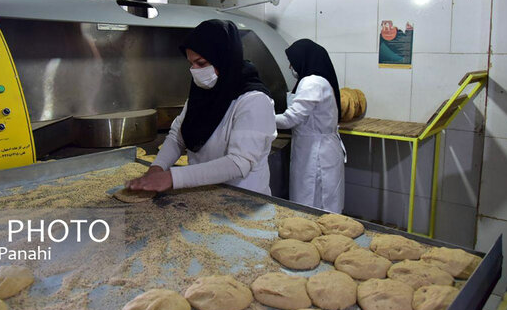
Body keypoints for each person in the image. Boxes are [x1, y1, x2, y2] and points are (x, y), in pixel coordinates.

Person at [126, 19, 277, 195]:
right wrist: (157, 168)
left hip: (243, 200)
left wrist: (172, 178)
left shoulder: (254, 100)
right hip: (203, 196)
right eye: (191, 64)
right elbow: (177, 137)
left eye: (201, 63)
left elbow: (238, 163)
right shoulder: (202, 94)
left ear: (224, 59)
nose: (195, 70)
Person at [275, 39, 345, 213]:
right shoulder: (317, 80)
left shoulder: (312, 82)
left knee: (315, 201)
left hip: (316, 153)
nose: (291, 66)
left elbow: (290, 119)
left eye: (292, 61)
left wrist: (259, 116)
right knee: (319, 201)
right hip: (315, 146)